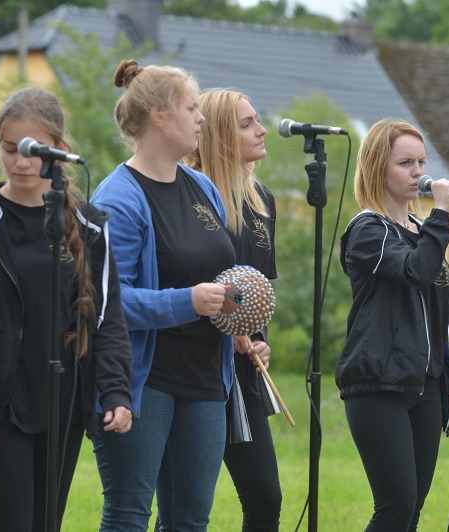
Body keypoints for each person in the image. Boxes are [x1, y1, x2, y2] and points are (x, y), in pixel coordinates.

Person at [0, 86, 133, 532]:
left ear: (58, 149)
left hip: (64, 404)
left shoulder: (89, 224)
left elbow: (107, 318)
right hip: (2, 405)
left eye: (31, 150)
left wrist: (116, 391)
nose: (21, 162)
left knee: (47, 524)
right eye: (10, 149)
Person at [90, 60, 271, 531]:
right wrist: (187, 301)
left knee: (191, 520)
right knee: (129, 515)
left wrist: (236, 323)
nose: (201, 118)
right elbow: (108, 301)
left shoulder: (202, 187)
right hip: (144, 380)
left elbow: (215, 273)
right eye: (192, 108)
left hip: (206, 378)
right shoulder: (118, 198)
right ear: (159, 116)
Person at [336, 118, 449, 530]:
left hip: (426, 385)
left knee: (411, 512)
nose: (419, 173)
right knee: (395, 507)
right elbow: (416, 270)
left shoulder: (425, 231)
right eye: (406, 163)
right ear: (379, 168)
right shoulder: (367, 229)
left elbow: (438, 316)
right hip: (379, 383)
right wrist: (442, 213)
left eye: (421, 162)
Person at [185, 88, 282, 531]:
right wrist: (227, 321)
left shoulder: (263, 200)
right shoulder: (190, 196)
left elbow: (257, 290)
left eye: (256, 120)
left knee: (265, 499)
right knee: (185, 506)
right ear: (220, 135)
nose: (262, 130)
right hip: (194, 365)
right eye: (247, 124)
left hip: (243, 372)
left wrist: (259, 338)